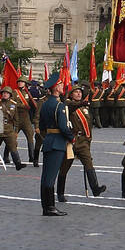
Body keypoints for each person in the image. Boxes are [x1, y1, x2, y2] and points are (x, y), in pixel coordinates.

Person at [37, 71, 72, 216]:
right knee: (50, 177)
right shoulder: (60, 106)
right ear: (56, 88)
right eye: (61, 84)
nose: (63, 85)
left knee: (46, 176)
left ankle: (46, 206)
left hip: (49, 140)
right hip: (58, 142)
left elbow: (42, 126)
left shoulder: (45, 104)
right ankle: (50, 207)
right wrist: (71, 137)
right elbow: (64, 127)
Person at [0, 87, 28, 173]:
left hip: (9, 129)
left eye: (7, 93)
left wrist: (16, 131)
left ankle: (18, 164)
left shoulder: (13, 104)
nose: (5, 94)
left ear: (10, 95)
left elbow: (16, 119)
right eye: (4, 93)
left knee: (13, 146)